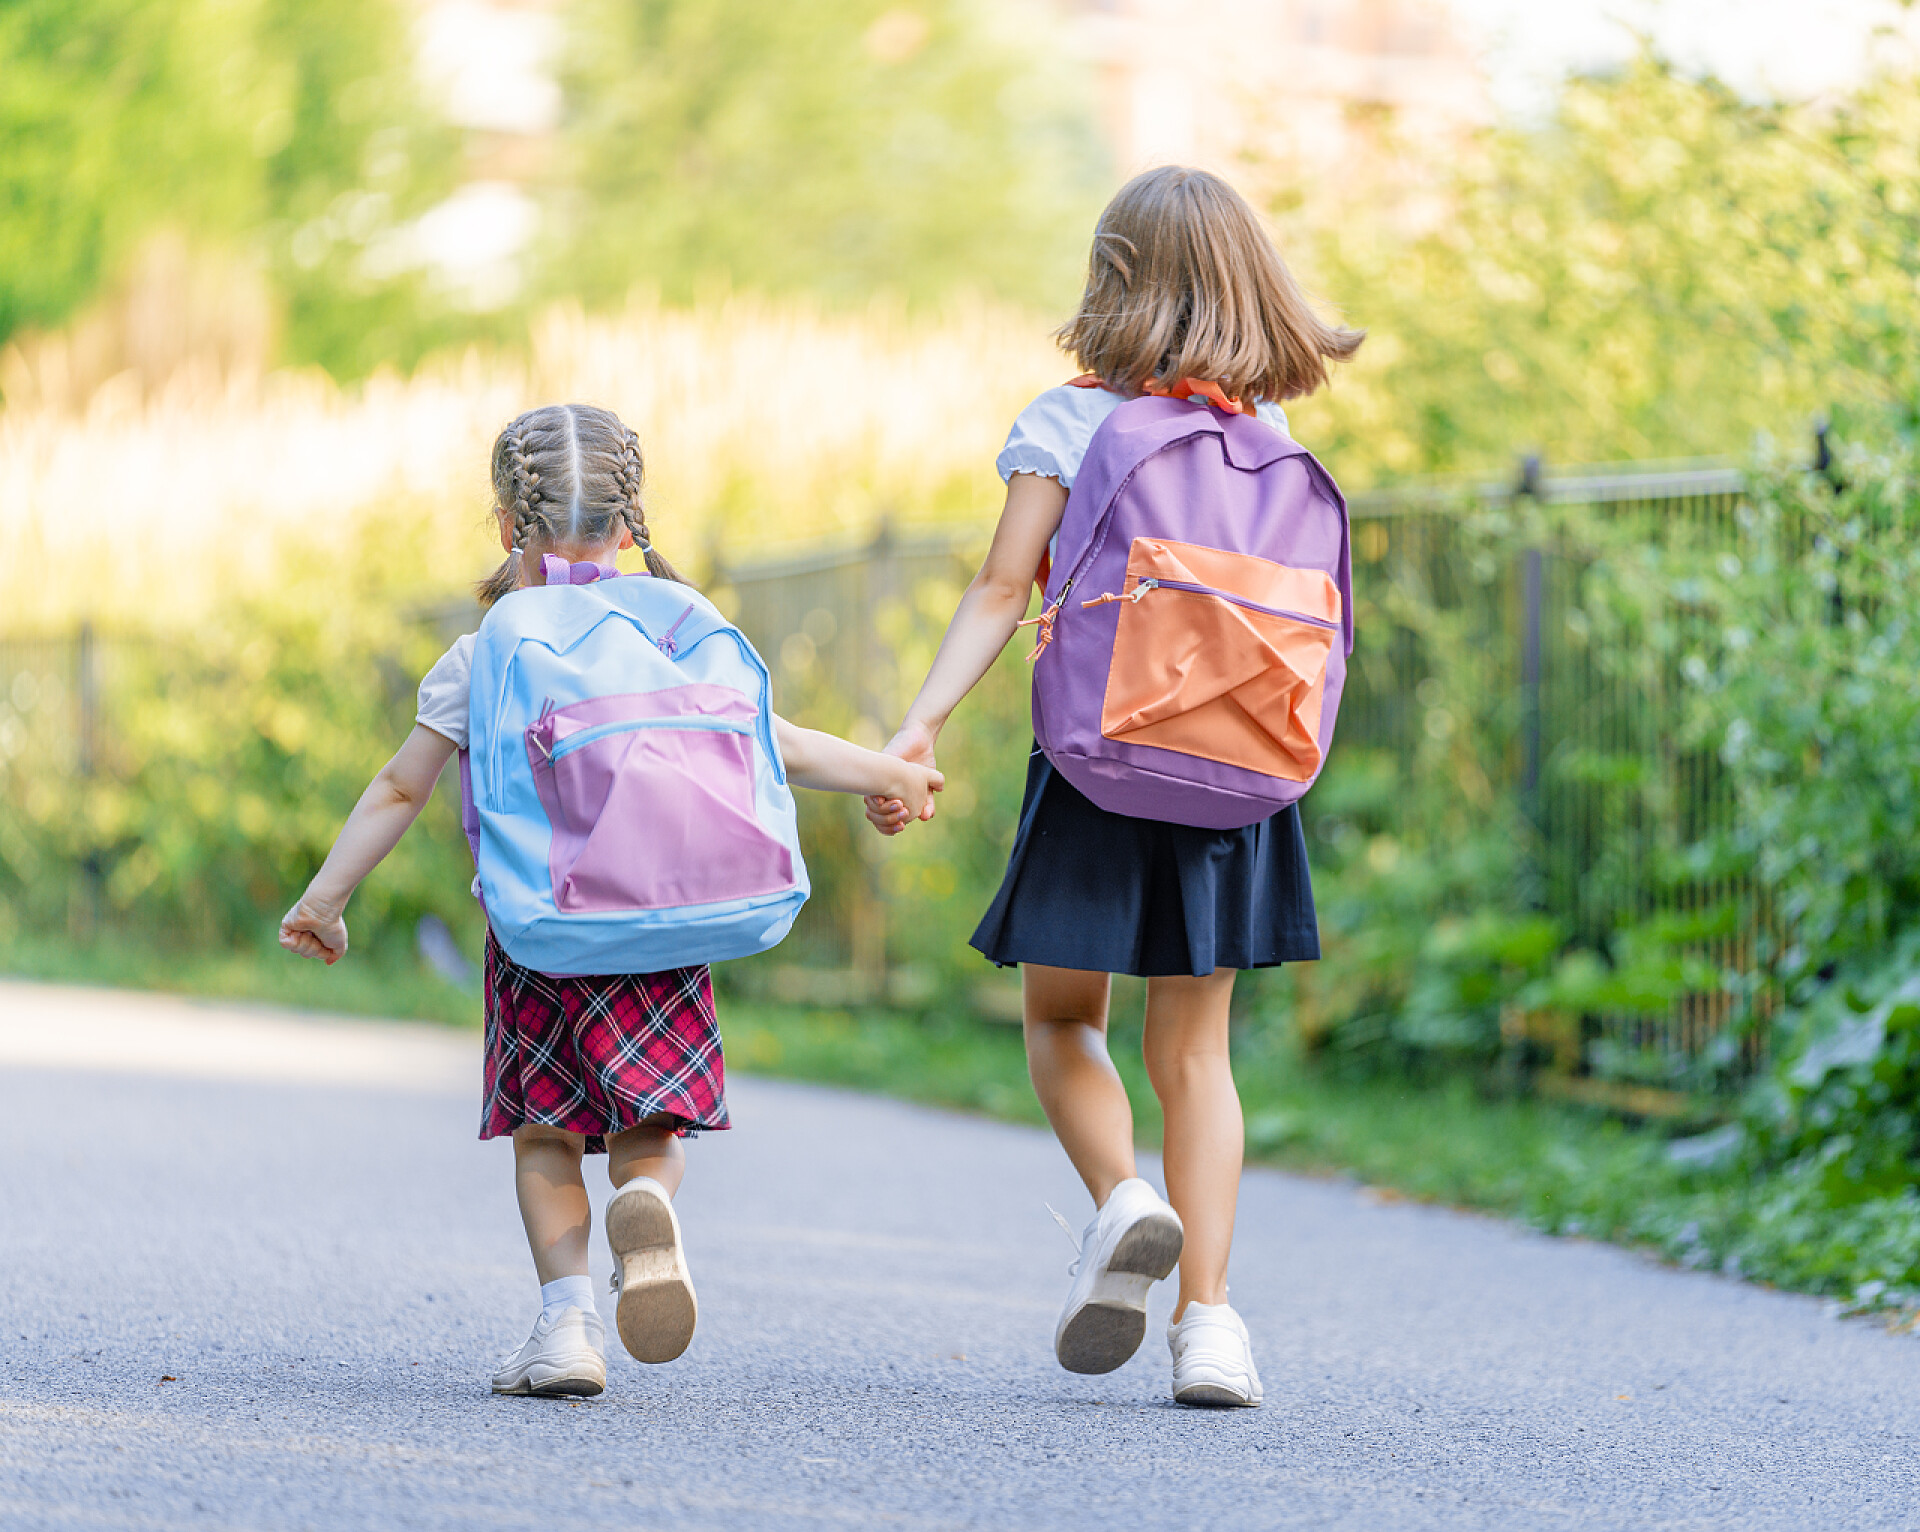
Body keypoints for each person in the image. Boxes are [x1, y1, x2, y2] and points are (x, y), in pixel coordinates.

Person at [280, 403, 941, 1399]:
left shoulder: (487, 649)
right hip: (671, 924)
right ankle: (646, 1198)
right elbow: (779, 739)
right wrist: (890, 770)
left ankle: (567, 1327)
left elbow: (400, 787)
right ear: (634, 520)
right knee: (651, 1124)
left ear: (509, 523)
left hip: (545, 931)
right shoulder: (679, 627)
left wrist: (326, 898)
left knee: (545, 1130)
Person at [866, 167, 1362, 1407]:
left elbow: (1000, 590)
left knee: (1062, 1024)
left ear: (1113, 279)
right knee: (1198, 1053)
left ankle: (1125, 1200)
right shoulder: (1272, 441)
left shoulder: (1070, 421)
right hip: (1242, 780)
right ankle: (1214, 1327)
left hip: (1099, 767)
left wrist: (920, 723)